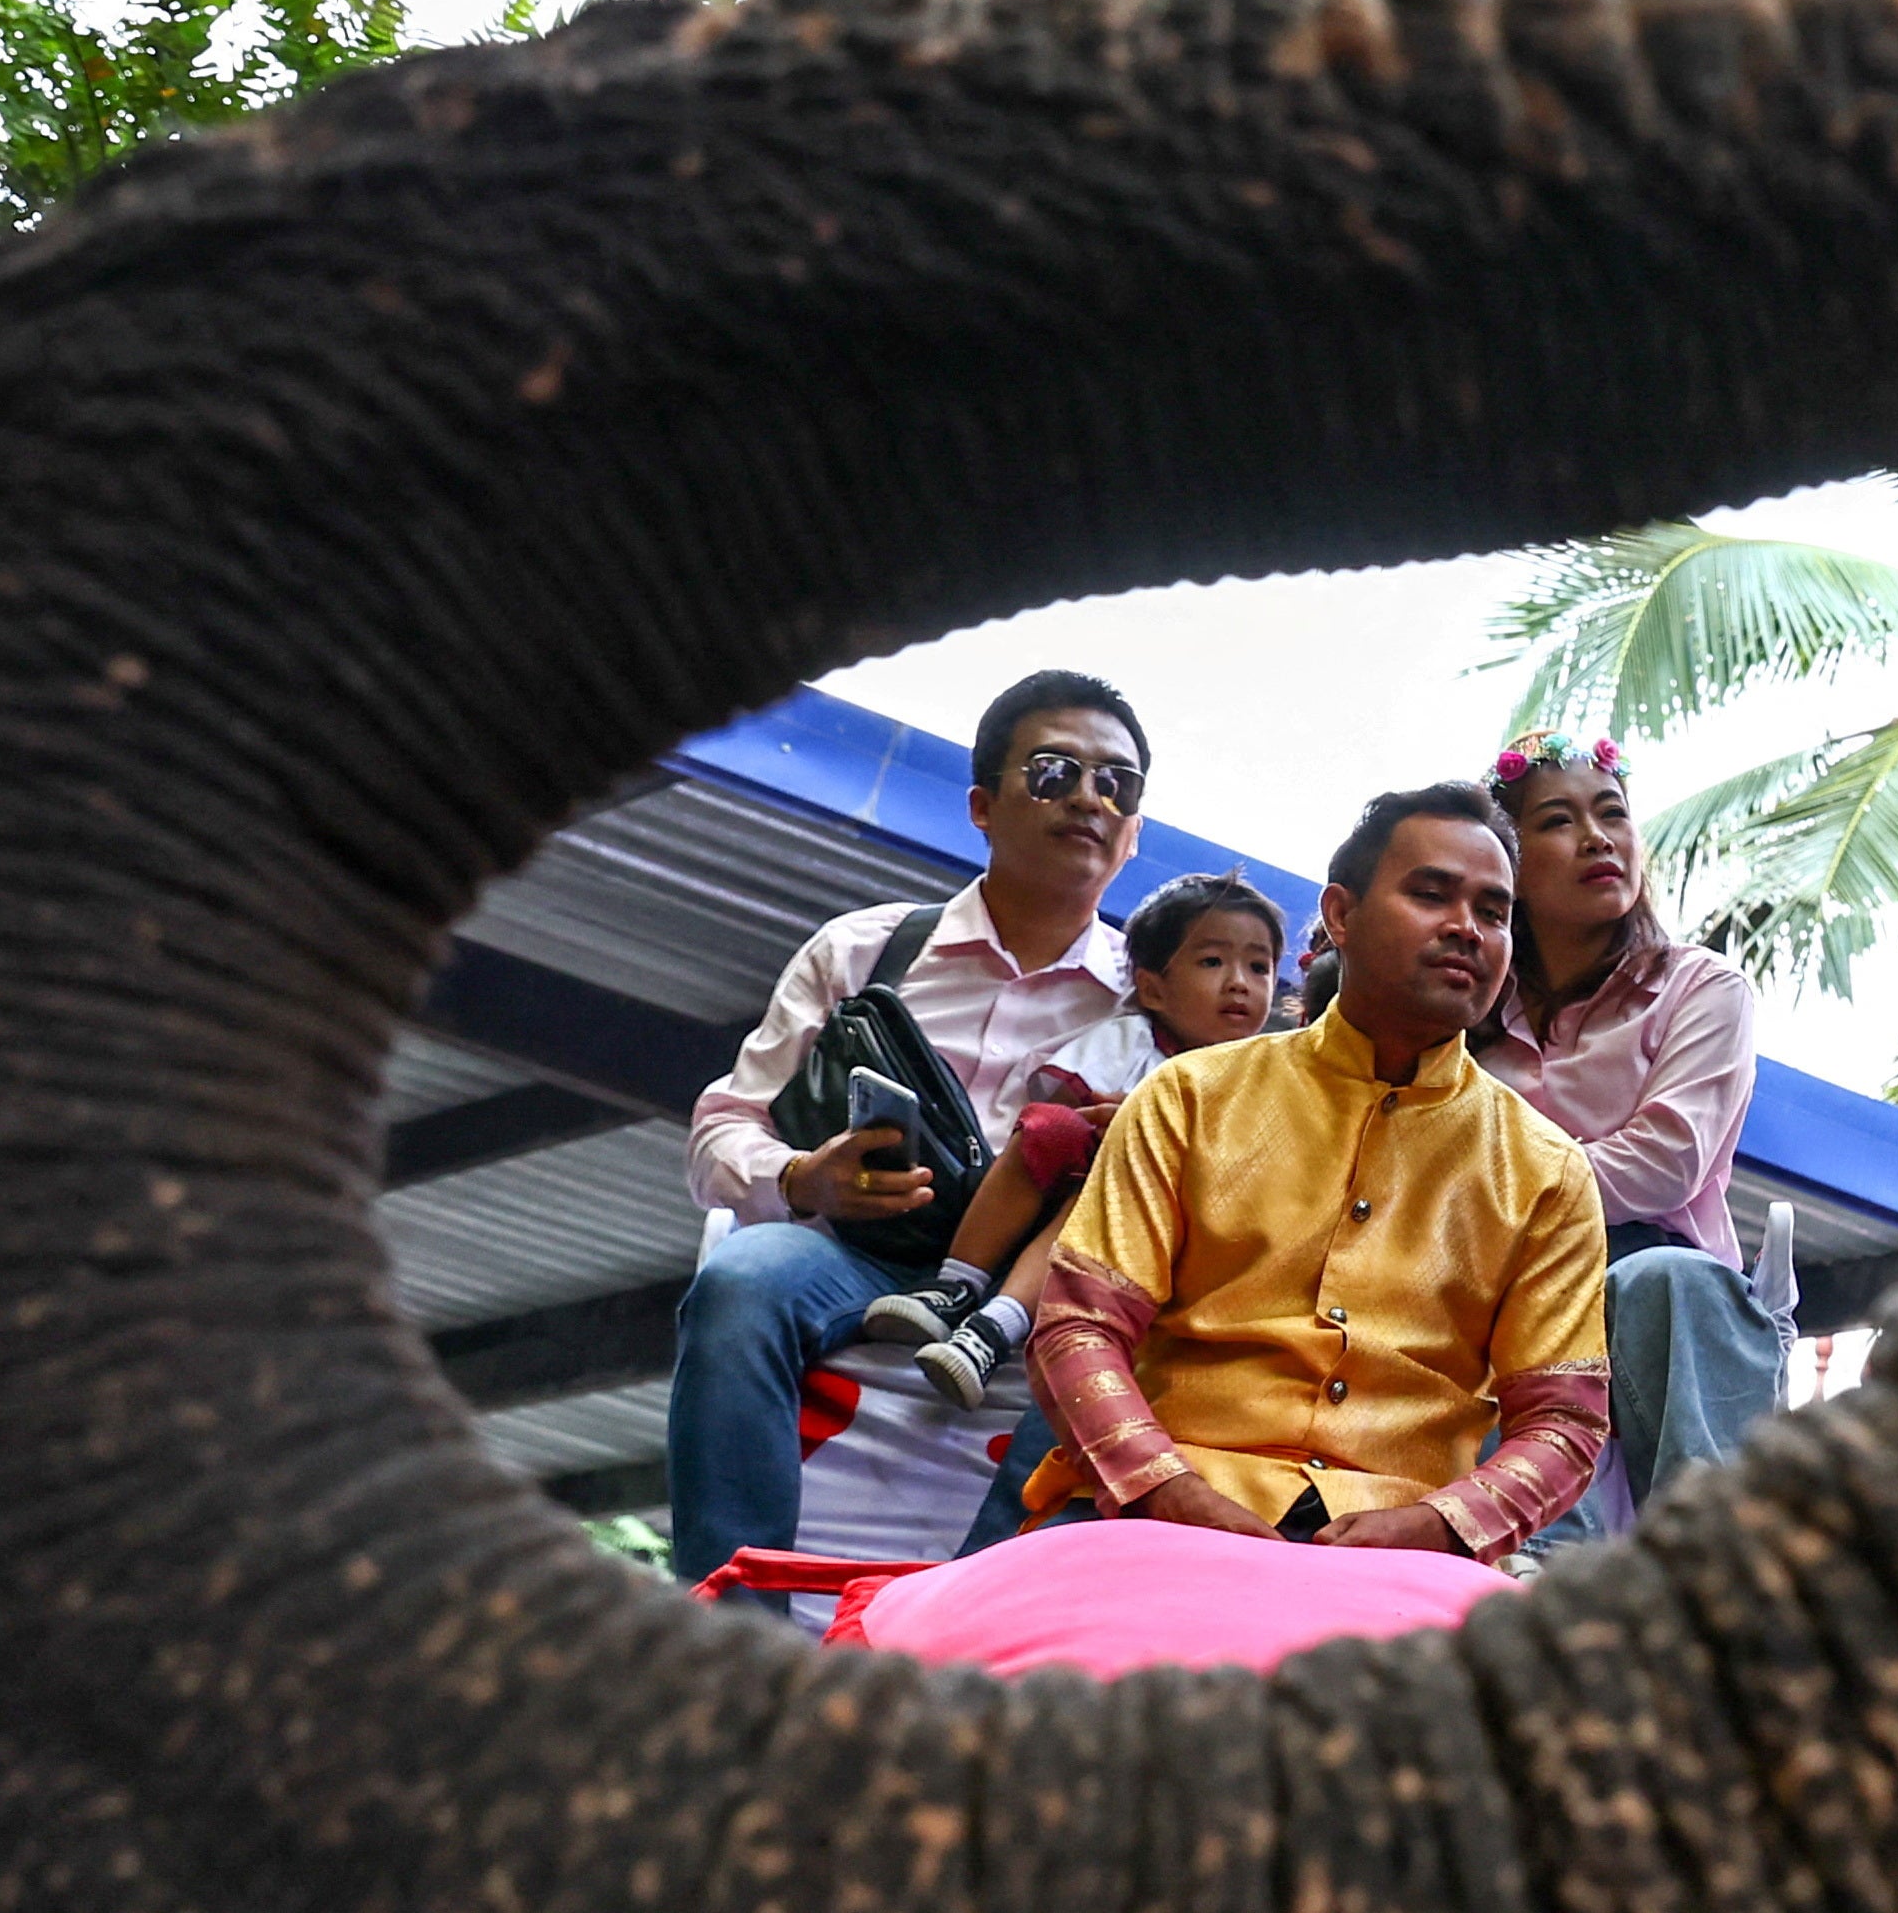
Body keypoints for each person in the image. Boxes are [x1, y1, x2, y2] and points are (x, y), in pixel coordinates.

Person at [1008, 781, 1613, 1558]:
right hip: (1158, 1516)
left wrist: (1438, 1526)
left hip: (1408, 1557)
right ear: (1340, 914)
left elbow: (1565, 1421)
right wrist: (1167, 1489)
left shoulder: (1549, 1172)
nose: (1466, 927)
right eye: (1431, 894)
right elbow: (1078, 1326)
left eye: (1494, 912)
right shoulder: (1189, 1096)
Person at [664, 670, 1151, 1595]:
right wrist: (808, 1178)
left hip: (1038, 1296)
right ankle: (734, 1613)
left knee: (1114, 1371)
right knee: (739, 1283)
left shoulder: (1161, 997)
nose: (1090, 797)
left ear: (1134, 835)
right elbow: (723, 1125)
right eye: (1054, 772)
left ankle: (968, 1628)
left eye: (1116, 784)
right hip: (858, 1256)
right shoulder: (865, 950)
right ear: (981, 804)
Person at [1474, 734, 1787, 1557]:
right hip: (1504, 1286)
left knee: (1661, 1279)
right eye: (1558, 820)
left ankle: (1722, 1569)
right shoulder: (1467, 1024)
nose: (1598, 836)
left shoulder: (1703, 988)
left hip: (1654, 1278)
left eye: (1613, 813)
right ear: (1506, 861)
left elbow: (1665, 1160)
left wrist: (1487, 1189)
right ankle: (1531, 1573)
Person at [856, 869, 1286, 1404]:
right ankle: (955, 1283)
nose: (1240, 982)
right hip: (1058, 1199)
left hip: (1140, 1244)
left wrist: (1145, 1138)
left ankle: (995, 1327)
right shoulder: (1131, 1042)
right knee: (1049, 1129)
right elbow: (1060, 1111)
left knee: (1114, 1181)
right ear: (1152, 987)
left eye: (1259, 966)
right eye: (1212, 962)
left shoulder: (1262, 1084)